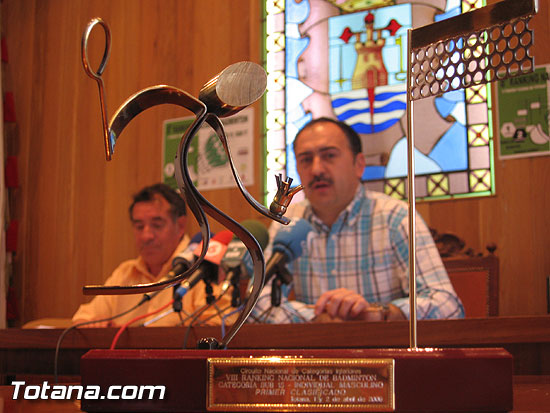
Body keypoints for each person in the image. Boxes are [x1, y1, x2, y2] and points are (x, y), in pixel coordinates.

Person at [252, 118, 464, 323]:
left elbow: (448, 305)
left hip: (385, 354)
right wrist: (317, 318)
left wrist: (378, 313)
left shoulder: (396, 217)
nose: (316, 169)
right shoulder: (289, 223)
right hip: (318, 355)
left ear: (359, 165)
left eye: (329, 156)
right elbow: (257, 302)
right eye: (306, 159)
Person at [72, 183, 234, 327]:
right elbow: (84, 318)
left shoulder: (203, 268)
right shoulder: (125, 273)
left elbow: (218, 326)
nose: (146, 236)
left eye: (157, 225)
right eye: (139, 226)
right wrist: (92, 326)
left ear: (180, 225)